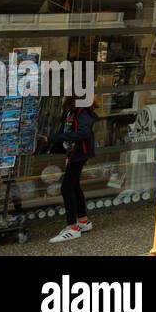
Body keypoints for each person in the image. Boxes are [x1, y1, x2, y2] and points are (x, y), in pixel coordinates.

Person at [48, 96, 97, 243]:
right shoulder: (73, 111)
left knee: (66, 188)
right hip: (74, 152)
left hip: (79, 153)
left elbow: (84, 133)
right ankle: (83, 222)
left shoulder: (83, 112)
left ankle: (73, 228)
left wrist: (58, 137)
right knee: (74, 186)